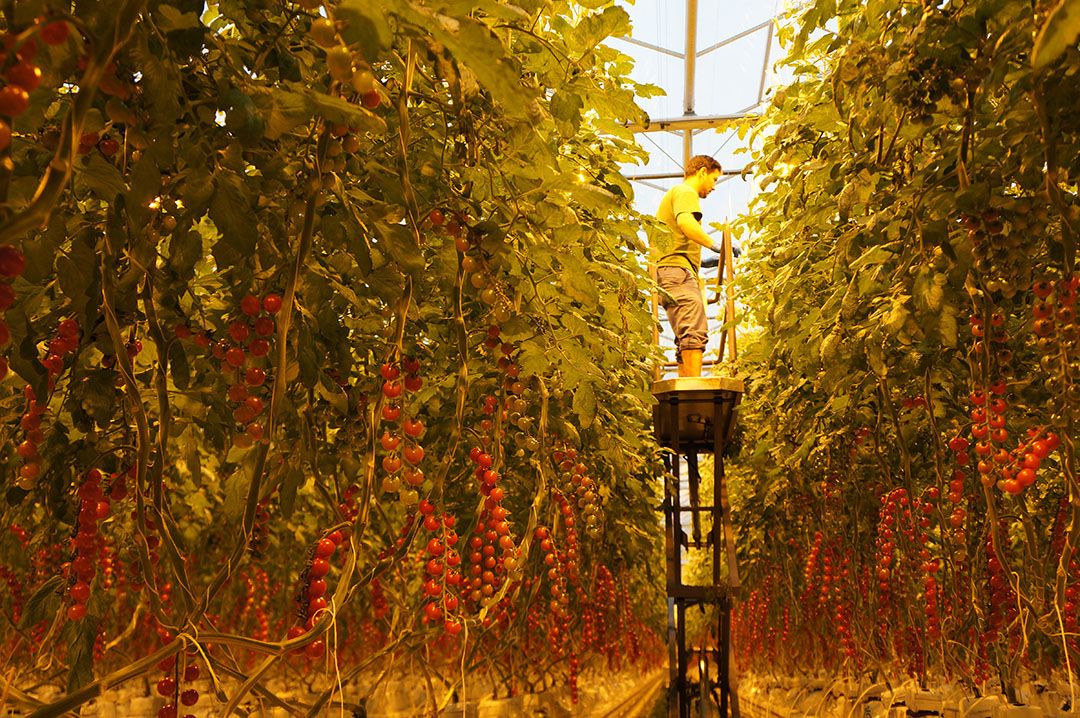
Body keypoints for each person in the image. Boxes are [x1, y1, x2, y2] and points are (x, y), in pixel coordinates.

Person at [655, 155, 726, 377]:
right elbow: (686, 223)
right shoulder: (686, 192)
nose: (714, 188)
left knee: (685, 333)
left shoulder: (675, 194)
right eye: (714, 180)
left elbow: (676, 238)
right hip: (675, 271)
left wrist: (702, 261)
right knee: (694, 328)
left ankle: (686, 383)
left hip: (671, 269)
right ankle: (693, 387)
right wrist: (716, 246)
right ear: (703, 172)